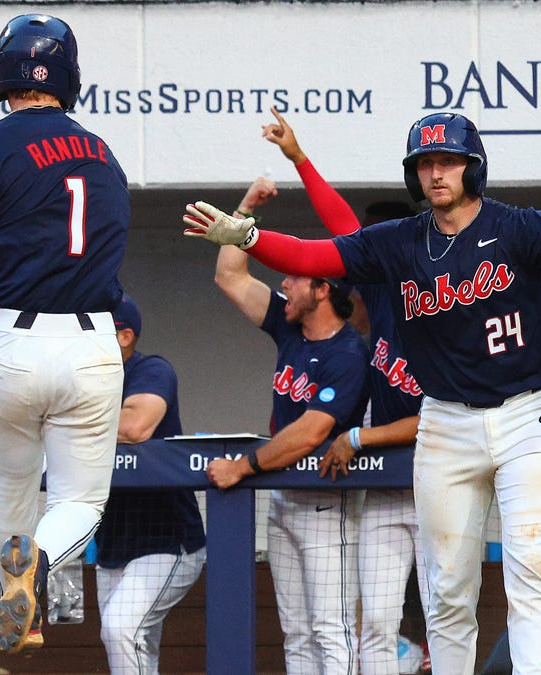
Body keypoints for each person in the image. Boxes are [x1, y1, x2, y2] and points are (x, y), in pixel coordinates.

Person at [182, 111, 541, 674]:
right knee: (447, 589)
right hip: (446, 423)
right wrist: (249, 235)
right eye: (426, 163)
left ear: (472, 168)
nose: (437, 173)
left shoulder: (516, 226)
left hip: (527, 414)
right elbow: (318, 255)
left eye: (449, 161)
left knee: (528, 571)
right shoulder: (401, 243)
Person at [0, 13, 130, 654]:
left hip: (11, 342)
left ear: (3, 73)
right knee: (80, 502)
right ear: (68, 76)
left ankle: (22, 596)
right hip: (93, 341)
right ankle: (36, 570)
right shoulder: (107, 155)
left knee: (10, 492)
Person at [258, 107, 431, 675]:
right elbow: (343, 232)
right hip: (385, 486)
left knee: (447, 619)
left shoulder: (447, 311)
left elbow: (436, 417)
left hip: (438, 479)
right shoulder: (383, 297)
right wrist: (300, 159)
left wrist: (359, 433)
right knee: (375, 627)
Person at [203, 191, 369, 673]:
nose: (285, 282)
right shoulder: (289, 326)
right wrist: (248, 206)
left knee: (329, 628)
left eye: (296, 277)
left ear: (323, 290)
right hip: (284, 498)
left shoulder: (349, 354)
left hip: (325, 499)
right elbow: (228, 275)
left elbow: (309, 433)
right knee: (295, 633)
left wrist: (243, 467)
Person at [93, 295, 207, 673]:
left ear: (125, 337)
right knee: (134, 643)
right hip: (112, 542)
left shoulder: (151, 369)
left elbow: (134, 427)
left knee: (120, 629)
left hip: (167, 539)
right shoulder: (83, 379)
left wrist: (64, 419)